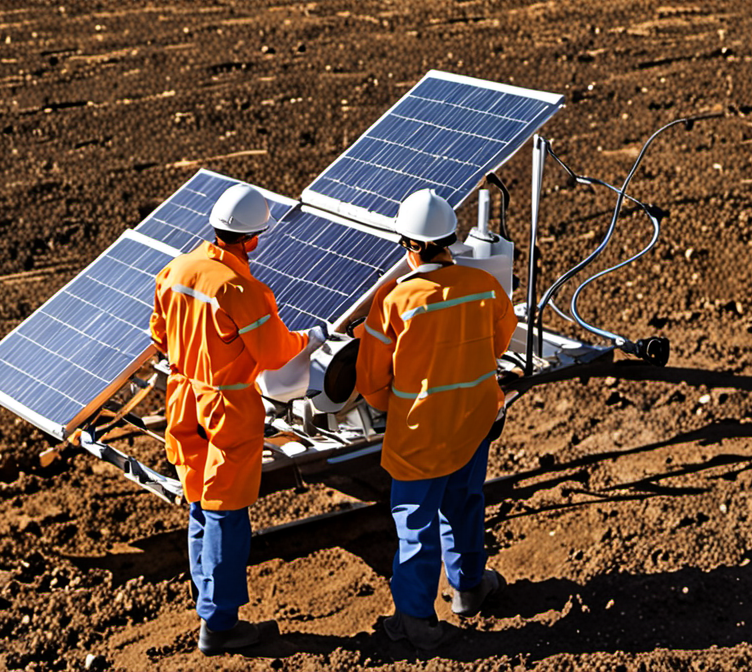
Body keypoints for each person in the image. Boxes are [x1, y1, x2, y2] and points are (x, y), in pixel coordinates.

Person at [149, 184, 320, 655]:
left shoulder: (177, 268)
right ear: (252, 239)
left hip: (183, 398)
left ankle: (207, 602)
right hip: (225, 408)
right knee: (227, 512)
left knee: (200, 502)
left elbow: (159, 334)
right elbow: (273, 352)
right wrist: (312, 336)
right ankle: (220, 625)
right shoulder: (242, 289)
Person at [355, 189, 518, 650]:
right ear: (450, 241)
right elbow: (498, 344)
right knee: (464, 503)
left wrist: (401, 405)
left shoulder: (393, 302)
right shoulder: (484, 286)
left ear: (408, 245)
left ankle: (416, 621)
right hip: (473, 420)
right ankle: (468, 589)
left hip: (418, 432)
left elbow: (370, 382)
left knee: (415, 524)